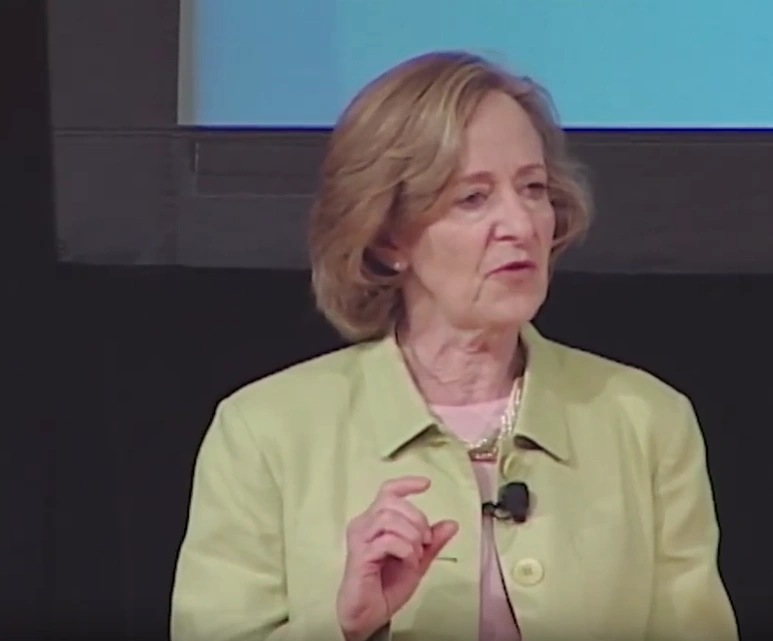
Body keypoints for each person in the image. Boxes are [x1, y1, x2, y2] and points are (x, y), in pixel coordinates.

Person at [170, 51, 738, 641]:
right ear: (389, 235)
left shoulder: (647, 421)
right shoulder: (264, 434)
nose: (521, 225)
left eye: (534, 188)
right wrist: (345, 626)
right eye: (473, 198)